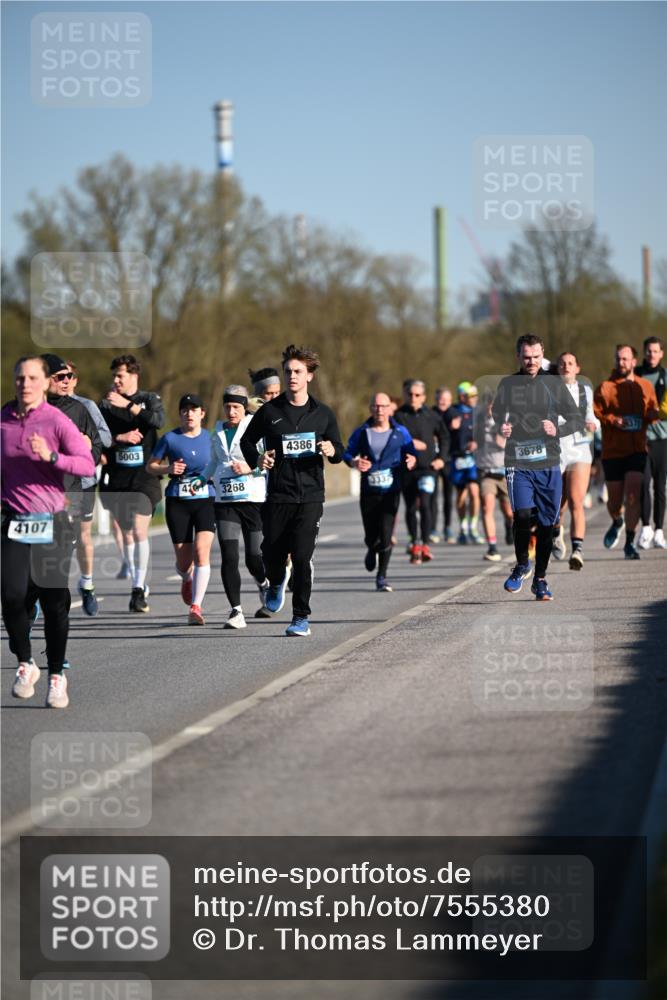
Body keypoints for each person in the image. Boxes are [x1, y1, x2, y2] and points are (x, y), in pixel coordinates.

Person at [2, 357, 95, 708]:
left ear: (44, 383)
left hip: (53, 520)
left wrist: (53, 458)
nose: (25, 384)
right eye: (20, 378)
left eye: (32, 378)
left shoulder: (56, 420)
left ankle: (57, 675)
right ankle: (26, 663)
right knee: (11, 596)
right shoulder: (3, 421)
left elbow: (86, 464)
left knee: (54, 602)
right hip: (14, 519)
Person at [240, 344, 344, 636]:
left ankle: (301, 617)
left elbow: (340, 450)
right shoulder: (270, 411)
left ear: (309, 375)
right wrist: (259, 459)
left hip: (310, 496)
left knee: (301, 556)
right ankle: (275, 582)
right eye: (288, 372)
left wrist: (330, 448)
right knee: (270, 553)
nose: (292, 377)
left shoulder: (323, 413)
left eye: (298, 372)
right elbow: (248, 442)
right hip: (279, 495)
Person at [492, 333, 581, 600]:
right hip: (517, 461)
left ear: (542, 355)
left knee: (546, 523)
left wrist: (558, 428)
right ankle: (521, 565)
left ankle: (540, 579)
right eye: (526, 357)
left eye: (536, 357)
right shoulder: (508, 384)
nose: (531, 361)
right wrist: (502, 426)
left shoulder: (553, 384)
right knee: (521, 515)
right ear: (518, 356)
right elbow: (497, 413)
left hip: (548, 462)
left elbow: (575, 418)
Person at [198, 385, 269, 629]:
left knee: (254, 556)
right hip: (225, 501)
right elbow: (214, 462)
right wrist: (200, 479)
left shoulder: (256, 427)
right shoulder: (216, 431)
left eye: (236, 407)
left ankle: (263, 583)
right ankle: (236, 611)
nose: (231, 411)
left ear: (244, 407)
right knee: (229, 555)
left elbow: (269, 462)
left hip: (252, 500)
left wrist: (250, 468)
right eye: (227, 406)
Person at [99, 354, 165, 613]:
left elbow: (157, 421)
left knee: (139, 531)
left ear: (134, 376)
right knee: (125, 533)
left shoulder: (149, 399)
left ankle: (138, 590)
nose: (115, 380)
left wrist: (129, 406)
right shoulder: (104, 405)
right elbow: (96, 438)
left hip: (144, 477)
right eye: (114, 376)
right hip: (117, 478)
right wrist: (119, 437)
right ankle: (138, 578)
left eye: (120, 376)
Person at [146, 394, 215, 625]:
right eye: (184, 410)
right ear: (180, 414)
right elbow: (151, 466)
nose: (189, 414)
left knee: (201, 550)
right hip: (178, 501)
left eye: (194, 409)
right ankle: (187, 577)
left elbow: (222, 462)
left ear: (202, 414)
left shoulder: (211, 438)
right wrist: (169, 467)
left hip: (206, 499)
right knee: (185, 561)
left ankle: (196, 607)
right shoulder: (170, 439)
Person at [344, 392, 417, 592]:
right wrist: (354, 461)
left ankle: (382, 576)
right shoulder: (362, 431)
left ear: (390, 408)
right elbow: (347, 452)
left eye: (383, 406)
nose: (380, 410)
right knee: (371, 535)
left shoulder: (400, 431)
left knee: (386, 535)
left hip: (391, 491)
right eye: (376, 406)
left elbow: (412, 452)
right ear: (370, 408)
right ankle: (371, 548)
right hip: (369, 491)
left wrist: (411, 459)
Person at [594, 344, 659, 560]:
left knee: (633, 494)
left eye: (625, 359)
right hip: (613, 451)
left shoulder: (645, 386)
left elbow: (653, 409)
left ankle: (630, 542)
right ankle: (617, 521)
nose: (621, 363)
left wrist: (652, 414)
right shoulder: (605, 387)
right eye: (618, 359)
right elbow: (596, 413)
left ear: (633, 362)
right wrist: (613, 420)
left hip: (637, 449)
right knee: (614, 502)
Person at [61, 359, 113, 615]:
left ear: (75, 380)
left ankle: (88, 583)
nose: (65, 381)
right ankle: (42, 589)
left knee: (82, 536)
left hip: (83, 481)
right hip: (56, 483)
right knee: (54, 539)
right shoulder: (43, 407)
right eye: (59, 377)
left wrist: (85, 439)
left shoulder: (86, 406)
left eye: (69, 376)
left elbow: (105, 437)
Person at [552, 352, 599, 570]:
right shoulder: (548, 390)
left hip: (579, 451)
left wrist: (593, 424)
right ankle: (556, 531)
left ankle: (577, 551)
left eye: (570, 363)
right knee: (556, 505)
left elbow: (591, 416)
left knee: (575, 500)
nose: (566, 367)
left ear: (577, 368)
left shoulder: (585, 391)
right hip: (556, 451)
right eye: (562, 363)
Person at [394, 379, 448, 564]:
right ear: (405, 395)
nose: (413, 398)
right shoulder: (398, 416)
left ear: (423, 397)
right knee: (410, 506)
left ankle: (425, 543)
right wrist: (407, 444)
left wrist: (442, 458)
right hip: (407, 469)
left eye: (417, 395)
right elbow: (391, 438)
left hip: (428, 468)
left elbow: (445, 437)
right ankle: (414, 541)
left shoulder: (432, 415)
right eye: (410, 394)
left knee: (425, 503)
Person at [474, 390, 513, 561]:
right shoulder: (478, 422)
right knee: (486, 508)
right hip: (487, 472)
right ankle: (492, 547)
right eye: (488, 404)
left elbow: (503, 442)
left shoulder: (507, 420)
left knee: (510, 512)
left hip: (505, 471)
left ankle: (509, 523)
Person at [636, 336, 667, 549]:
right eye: (648, 351)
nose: (652, 355)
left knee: (660, 487)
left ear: (661, 354)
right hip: (641, 438)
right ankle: (645, 527)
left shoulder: (666, 376)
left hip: (663, 438)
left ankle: (659, 531)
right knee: (642, 483)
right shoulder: (635, 375)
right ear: (644, 353)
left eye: (655, 351)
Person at [449, 382, 483, 544]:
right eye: (471, 396)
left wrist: (478, 443)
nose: (475, 399)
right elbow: (443, 431)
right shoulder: (453, 412)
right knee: (461, 495)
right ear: (462, 397)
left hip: (473, 460)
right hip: (457, 458)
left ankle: (473, 526)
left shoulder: (479, 413)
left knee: (475, 492)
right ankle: (463, 527)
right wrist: (451, 427)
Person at [430, 386, 456, 543]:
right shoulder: (430, 414)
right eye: (440, 399)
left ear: (450, 401)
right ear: (436, 399)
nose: (442, 402)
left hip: (449, 460)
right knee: (431, 496)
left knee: (448, 496)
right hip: (433, 460)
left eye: (446, 400)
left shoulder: (455, 414)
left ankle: (447, 527)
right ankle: (432, 528)